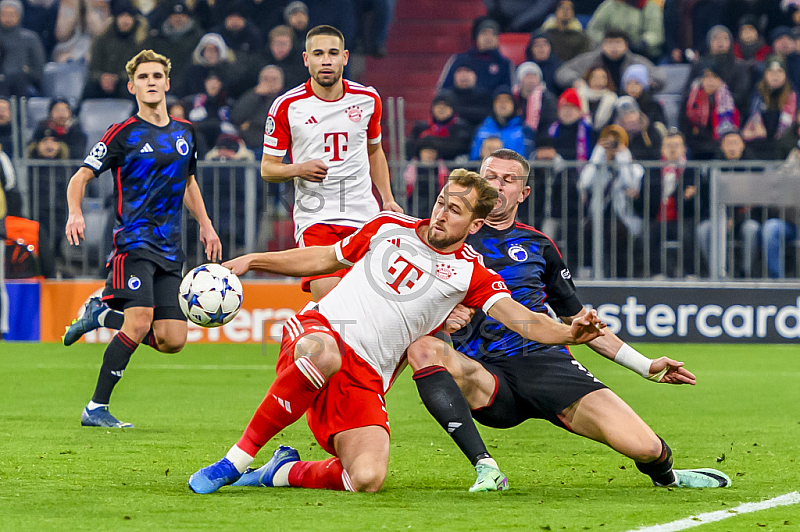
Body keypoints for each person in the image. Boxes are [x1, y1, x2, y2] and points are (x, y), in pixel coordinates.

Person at [188, 169, 607, 494]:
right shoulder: (390, 225)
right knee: (324, 355)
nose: (442, 213)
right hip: (322, 331)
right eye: (442, 202)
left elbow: (523, 319)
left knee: (367, 478)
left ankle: (281, 472)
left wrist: (571, 333)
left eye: (456, 211)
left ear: (475, 225)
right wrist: (253, 260)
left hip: (368, 376)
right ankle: (235, 462)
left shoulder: (471, 274)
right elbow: (324, 259)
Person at [400, 149, 731, 490]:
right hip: (484, 375)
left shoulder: (538, 245)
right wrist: (438, 317)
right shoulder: (443, 239)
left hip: (544, 363)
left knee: (646, 447)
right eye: (490, 177)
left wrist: (645, 365)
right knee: (425, 349)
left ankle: (669, 477)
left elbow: (579, 322)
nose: (496, 186)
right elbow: (402, 305)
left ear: (523, 193)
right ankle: (487, 468)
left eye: (508, 179)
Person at [62, 50, 222, 428]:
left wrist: (206, 224)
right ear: (133, 86)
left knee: (173, 338)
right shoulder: (122, 133)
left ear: (167, 83)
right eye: (143, 77)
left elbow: (188, 182)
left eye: (157, 76)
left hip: (171, 248)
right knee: (137, 323)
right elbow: (80, 177)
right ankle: (96, 408)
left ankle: (101, 315)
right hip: (133, 242)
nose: (151, 82)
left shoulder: (186, 133)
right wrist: (75, 211)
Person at [261, 25, 402, 302]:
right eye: (318, 53)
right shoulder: (287, 106)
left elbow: (375, 152)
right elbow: (268, 168)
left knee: (372, 304)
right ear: (306, 59)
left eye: (333, 53)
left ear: (345, 57)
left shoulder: (368, 99)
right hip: (316, 217)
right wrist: (298, 169)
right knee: (328, 298)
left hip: (363, 215)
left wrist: (387, 198)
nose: (326, 60)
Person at [555, 30, 665, 94]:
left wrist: (647, 82)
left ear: (626, 46)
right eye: (610, 43)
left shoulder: (636, 62)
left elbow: (659, 76)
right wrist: (575, 81)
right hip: (596, 103)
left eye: (618, 43)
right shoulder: (589, 60)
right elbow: (562, 72)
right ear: (603, 45)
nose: (614, 47)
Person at [84, 0, 148, 101]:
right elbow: (92, 69)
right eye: (121, 16)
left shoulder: (141, 41)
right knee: (89, 87)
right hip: (103, 83)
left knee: (129, 88)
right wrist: (102, 78)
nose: (125, 20)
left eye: (129, 16)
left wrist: (118, 78)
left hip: (126, 82)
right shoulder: (102, 39)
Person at [680, 63, 740, 159]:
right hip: (695, 145)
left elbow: (734, 128)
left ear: (720, 80)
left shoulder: (729, 100)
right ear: (701, 79)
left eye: (715, 77)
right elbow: (684, 126)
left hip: (721, 146)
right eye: (707, 77)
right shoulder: (690, 99)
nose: (710, 81)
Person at [440, 18, 514, 94]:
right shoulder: (459, 60)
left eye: (493, 34)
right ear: (477, 37)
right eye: (484, 33)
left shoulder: (504, 64)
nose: (488, 37)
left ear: (498, 39)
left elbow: (509, 93)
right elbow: (444, 89)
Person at [469, 86, 535, 160]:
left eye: (507, 101)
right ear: (493, 105)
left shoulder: (524, 130)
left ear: (513, 105)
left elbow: (528, 158)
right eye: (498, 101)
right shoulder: (481, 129)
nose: (502, 104)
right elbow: (473, 158)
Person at [230, 65, 285, 153]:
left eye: (274, 79)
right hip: (251, 145)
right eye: (266, 79)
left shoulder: (287, 98)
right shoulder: (251, 96)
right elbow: (236, 117)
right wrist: (255, 95)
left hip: (279, 145)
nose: (270, 82)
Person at [585, 0, 664, 61]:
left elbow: (656, 34)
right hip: (609, 51)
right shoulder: (610, 5)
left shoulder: (650, 6)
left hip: (641, 52)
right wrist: (607, 42)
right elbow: (593, 30)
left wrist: (642, 43)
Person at [0, 0, 46, 96]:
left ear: (19, 16)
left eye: (12, 14)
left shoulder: (30, 38)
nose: (8, 18)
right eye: (4, 14)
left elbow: (38, 72)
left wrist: (24, 72)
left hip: (24, 83)